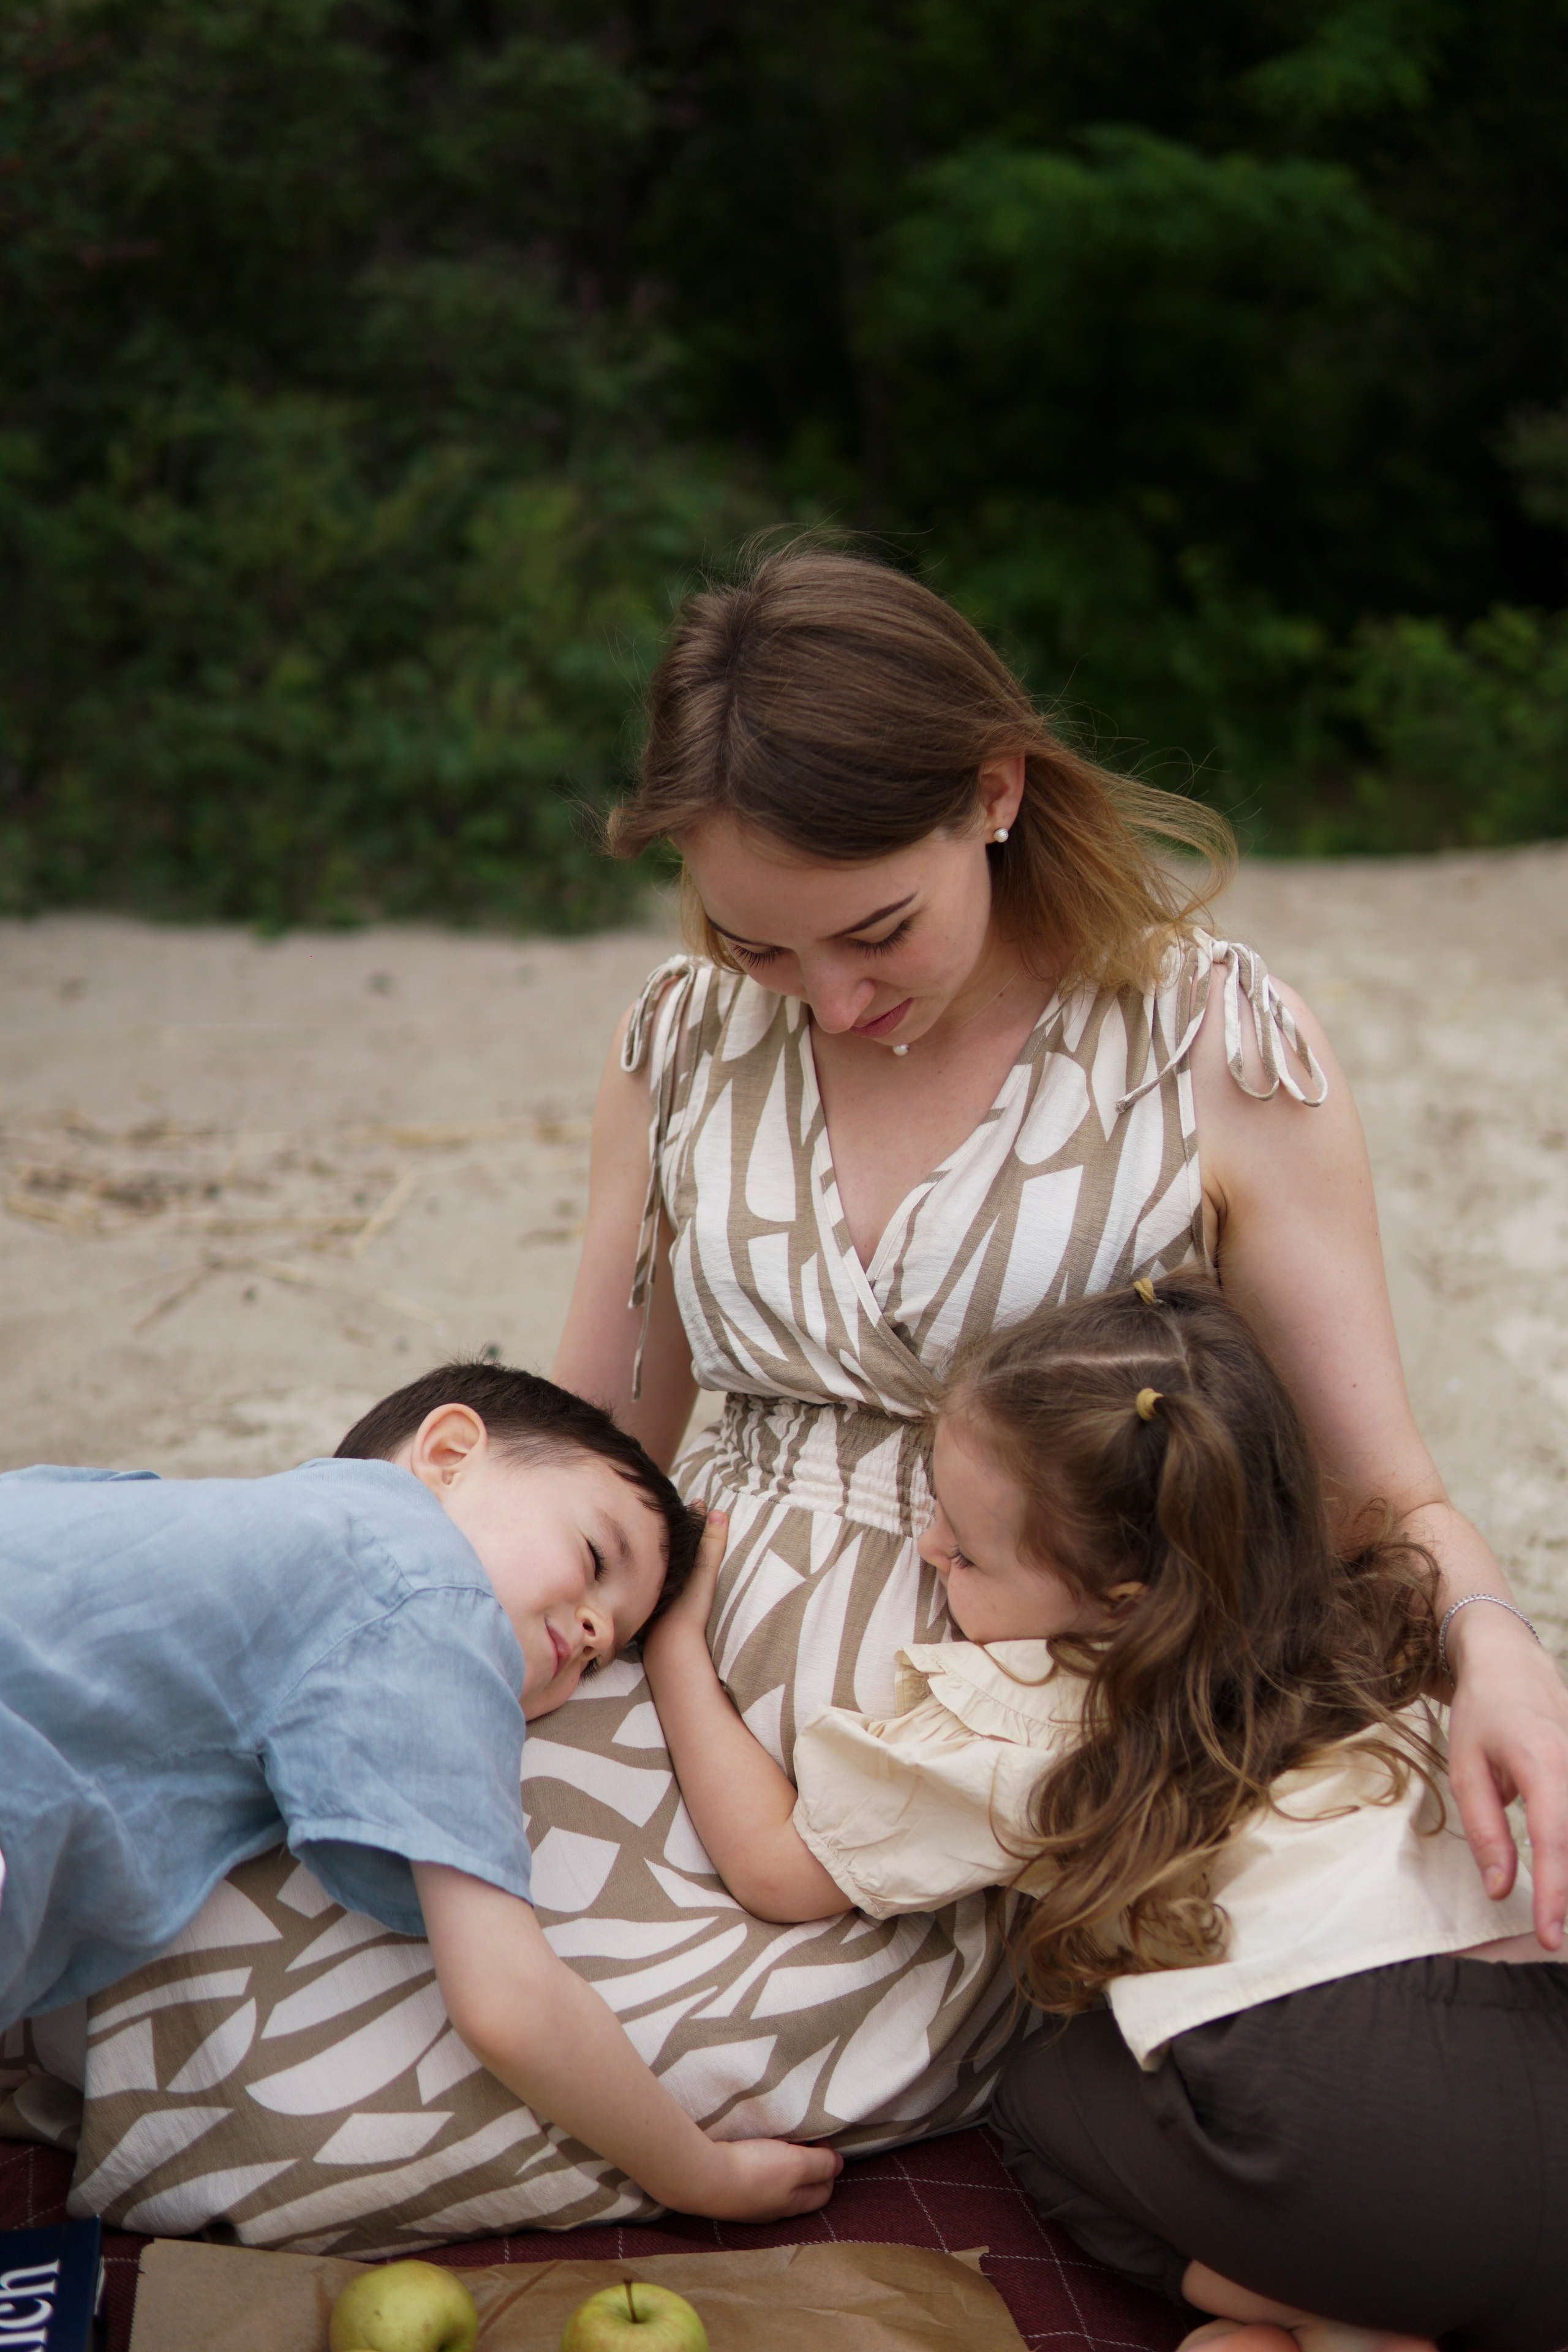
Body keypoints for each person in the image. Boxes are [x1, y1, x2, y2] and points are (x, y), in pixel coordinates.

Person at [642, 1272, 1568, 2352]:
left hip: (1333, 2102)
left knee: (1038, 2100)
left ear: (1122, 1612)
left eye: (967, 1551)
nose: (931, 1549)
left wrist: (676, 1651)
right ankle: (1396, 2302)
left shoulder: (1035, 1705)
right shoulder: (1370, 1627)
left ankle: (1305, 2309)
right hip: (1542, 2072)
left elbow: (777, 1867)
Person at [0, 1360, 839, 2224]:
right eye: (594, 1559)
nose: (592, 1630)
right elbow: (507, 2000)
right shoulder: (433, 1595)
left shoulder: (235, 1527)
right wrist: (700, 2175)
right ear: (448, 1453)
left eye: (602, 1654)